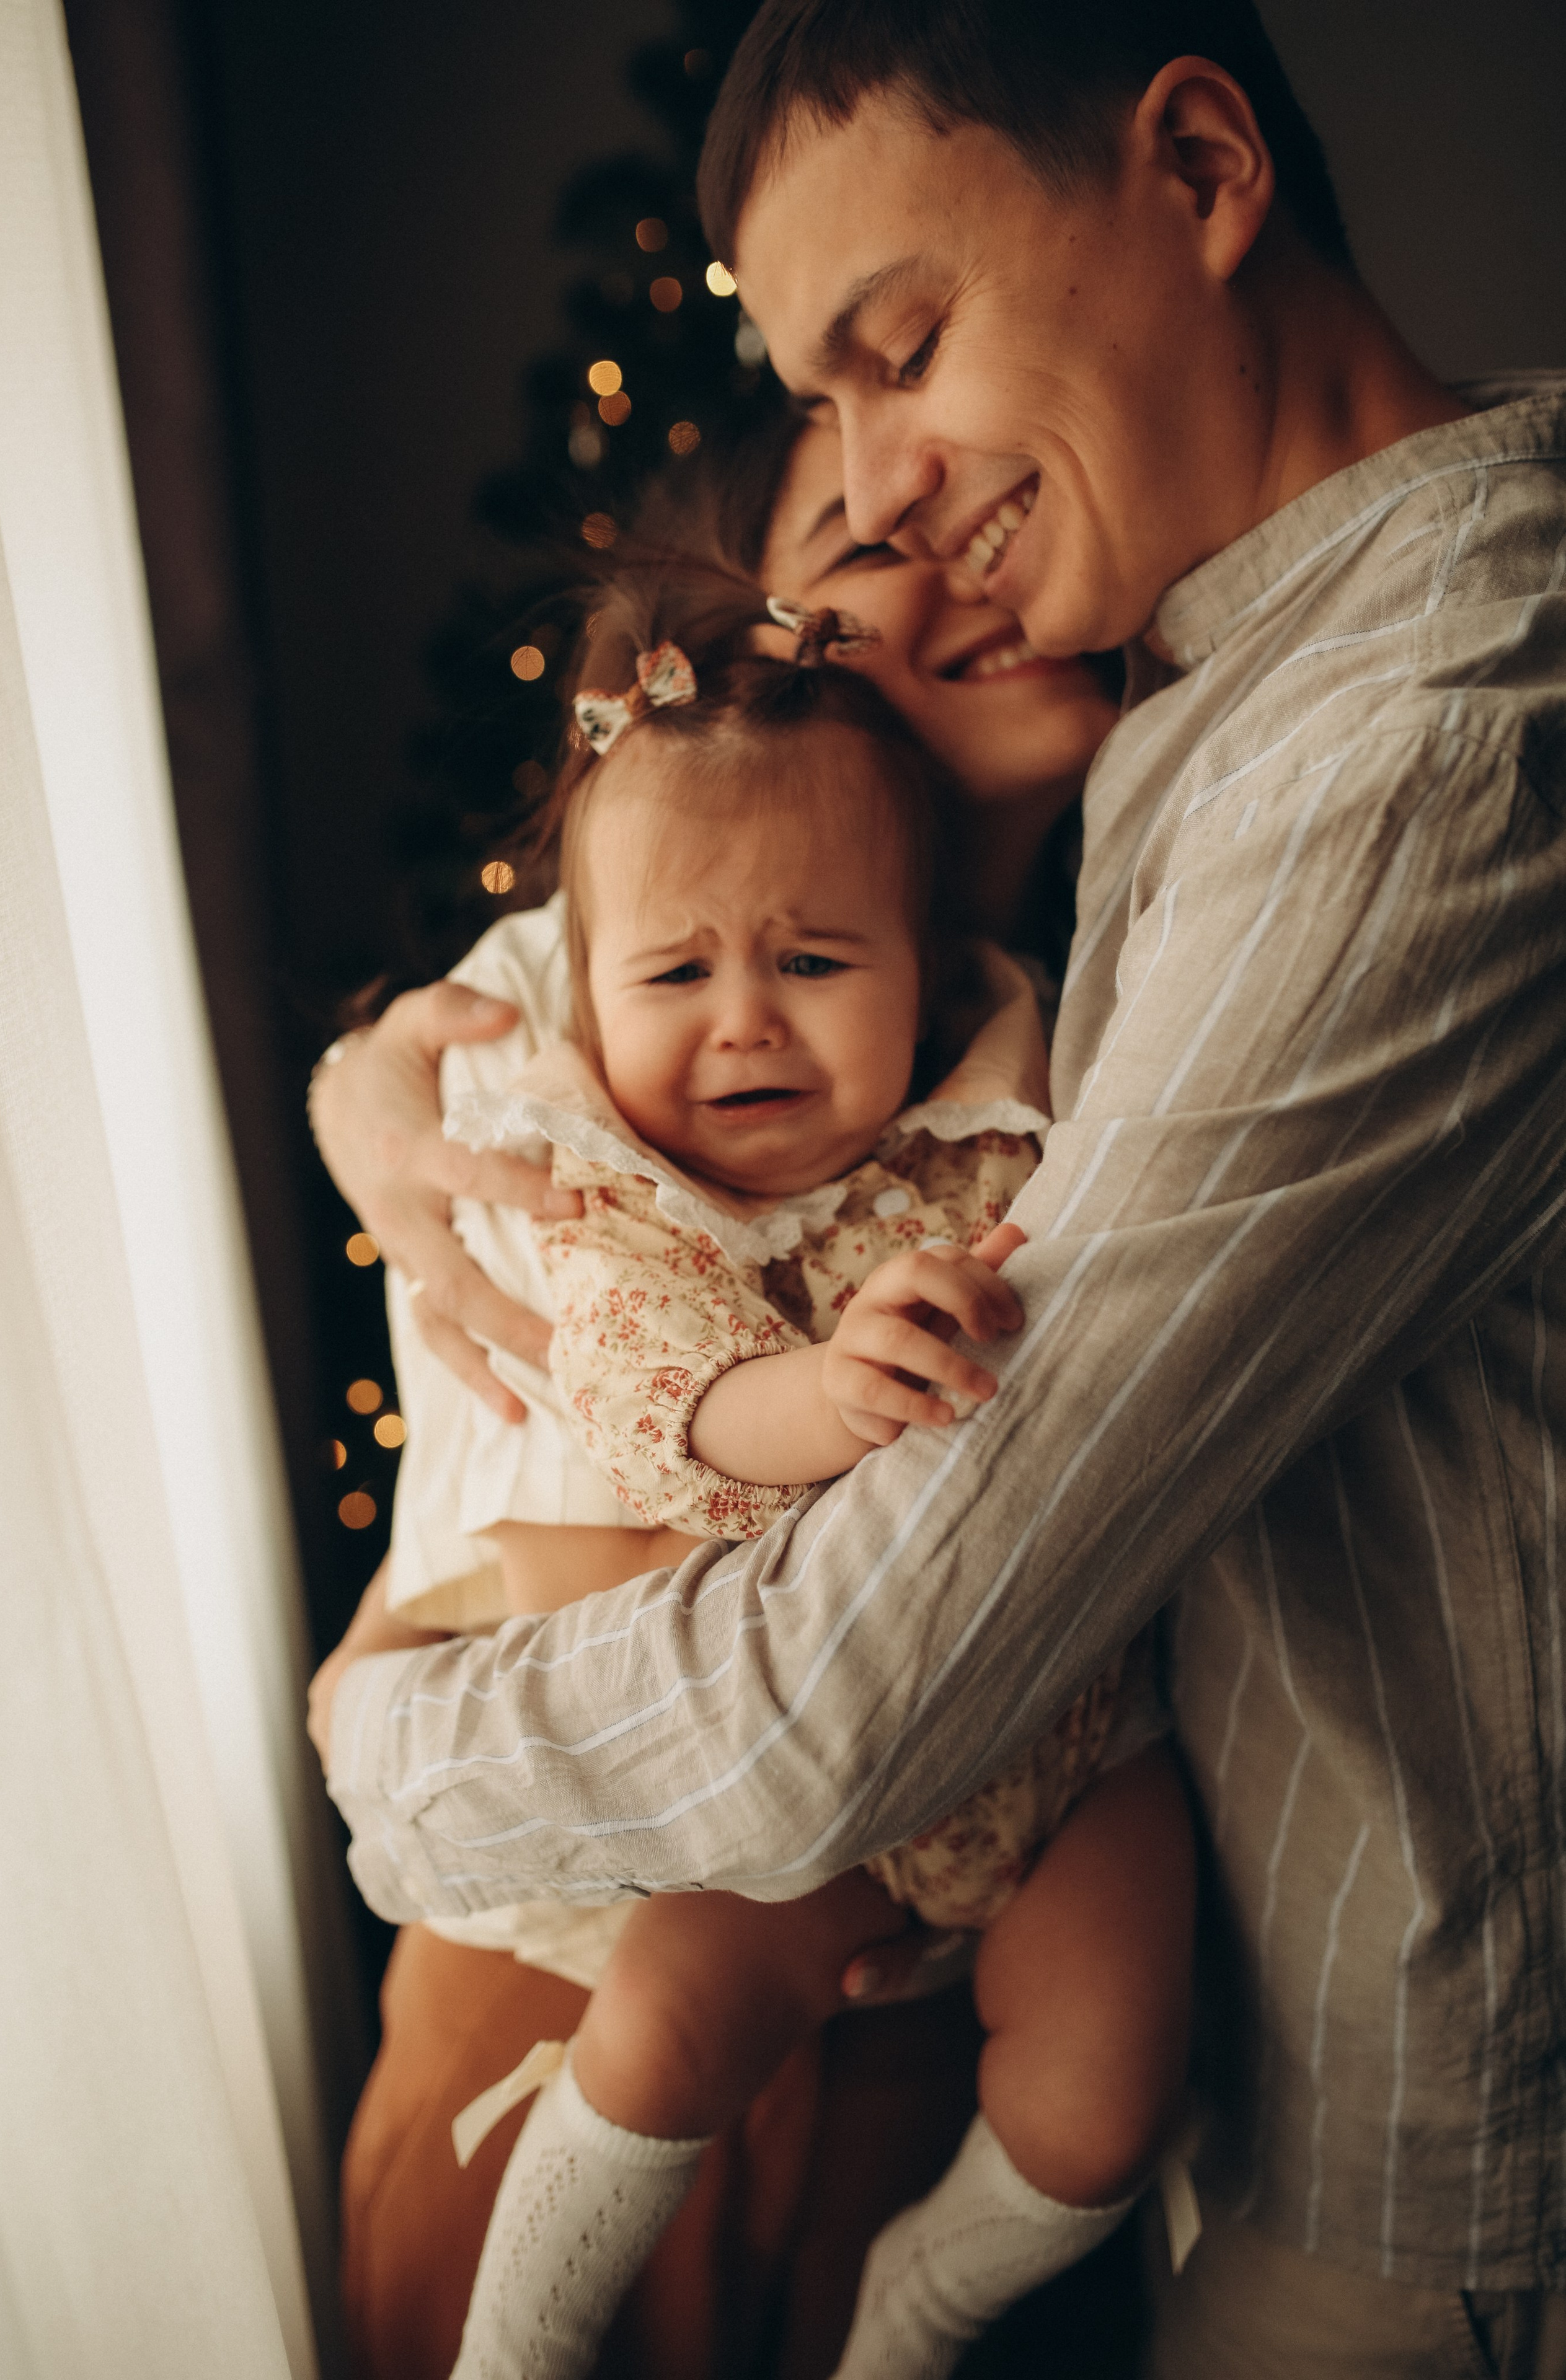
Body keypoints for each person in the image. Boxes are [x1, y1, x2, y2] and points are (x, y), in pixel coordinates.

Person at [323, 2, 1566, 2373]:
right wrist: (369, 1092)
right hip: (825, 1941)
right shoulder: (1204, 720)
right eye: (819, 433)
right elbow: (491, 1045)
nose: (882, 511)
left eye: (902, 352)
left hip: (1401, 2129)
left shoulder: (1393, 754)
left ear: (1199, 171)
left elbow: (885, 1665)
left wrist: (387, 1747)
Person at [309, 416, 1128, 2379]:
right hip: (567, 1954)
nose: (955, 573)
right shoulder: (571, 990)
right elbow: (438, 1096)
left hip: (933, 1964)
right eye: (860, 545)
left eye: (1001, 508)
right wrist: (361, 1094)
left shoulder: (1102, 989)